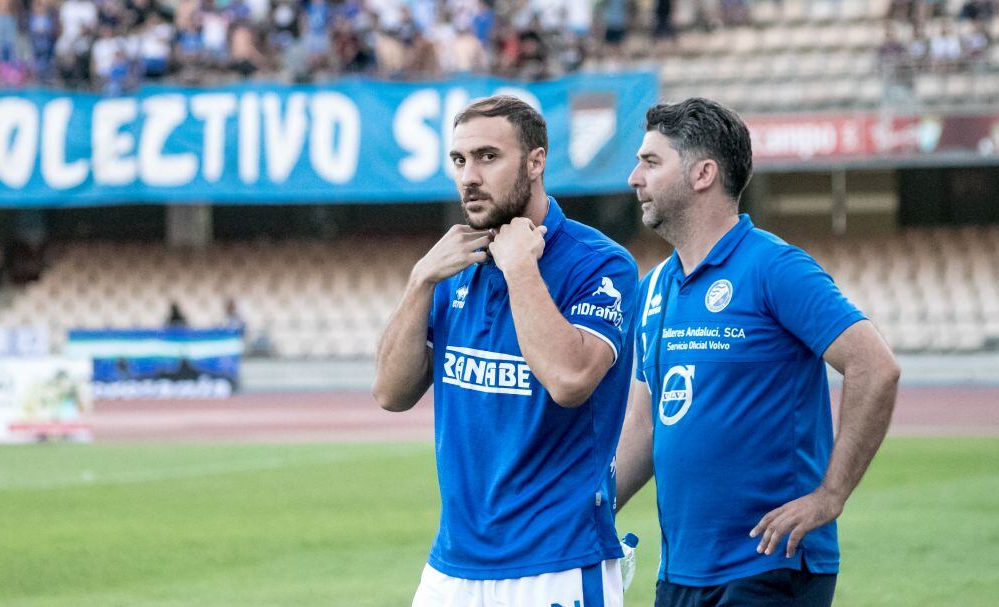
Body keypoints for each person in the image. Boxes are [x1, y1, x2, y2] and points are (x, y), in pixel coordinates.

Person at [615, 98, 901, 607]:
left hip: (770, 564)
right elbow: (644, 425)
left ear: (703, 174)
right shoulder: (654, 285)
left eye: (651, 162)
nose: (635, 176)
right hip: (680, 569)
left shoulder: (775, 267)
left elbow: (874, 367)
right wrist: (590, 511)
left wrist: (829, 496)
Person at [372, 95, 639, 607]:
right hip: (452, 566)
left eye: (488, 157)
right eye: (459, 160)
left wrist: (520, 267)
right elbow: (390, 392)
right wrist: (420, 279)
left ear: (536, 162)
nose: (469, 175)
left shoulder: (599, 264)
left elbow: (569, 379)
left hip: (558, 562)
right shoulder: (453, 264)